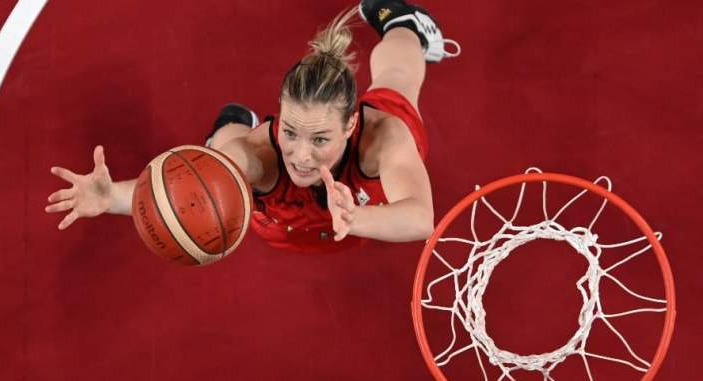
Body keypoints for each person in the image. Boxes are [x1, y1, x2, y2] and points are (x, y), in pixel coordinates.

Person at [45, 0, 460, 253]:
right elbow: (186, 190)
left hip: (354, 210)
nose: (300, 155)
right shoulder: (261, 157)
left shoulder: (384, 139)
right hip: (283, 218)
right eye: (291, 131)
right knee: (228, 151)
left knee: (398, 80)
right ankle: (230, 123)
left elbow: (421, 218)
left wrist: (355, 220)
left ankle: (402, 22)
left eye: (319, 139)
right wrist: (111, 197)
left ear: (351, 124)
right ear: (278, 112)